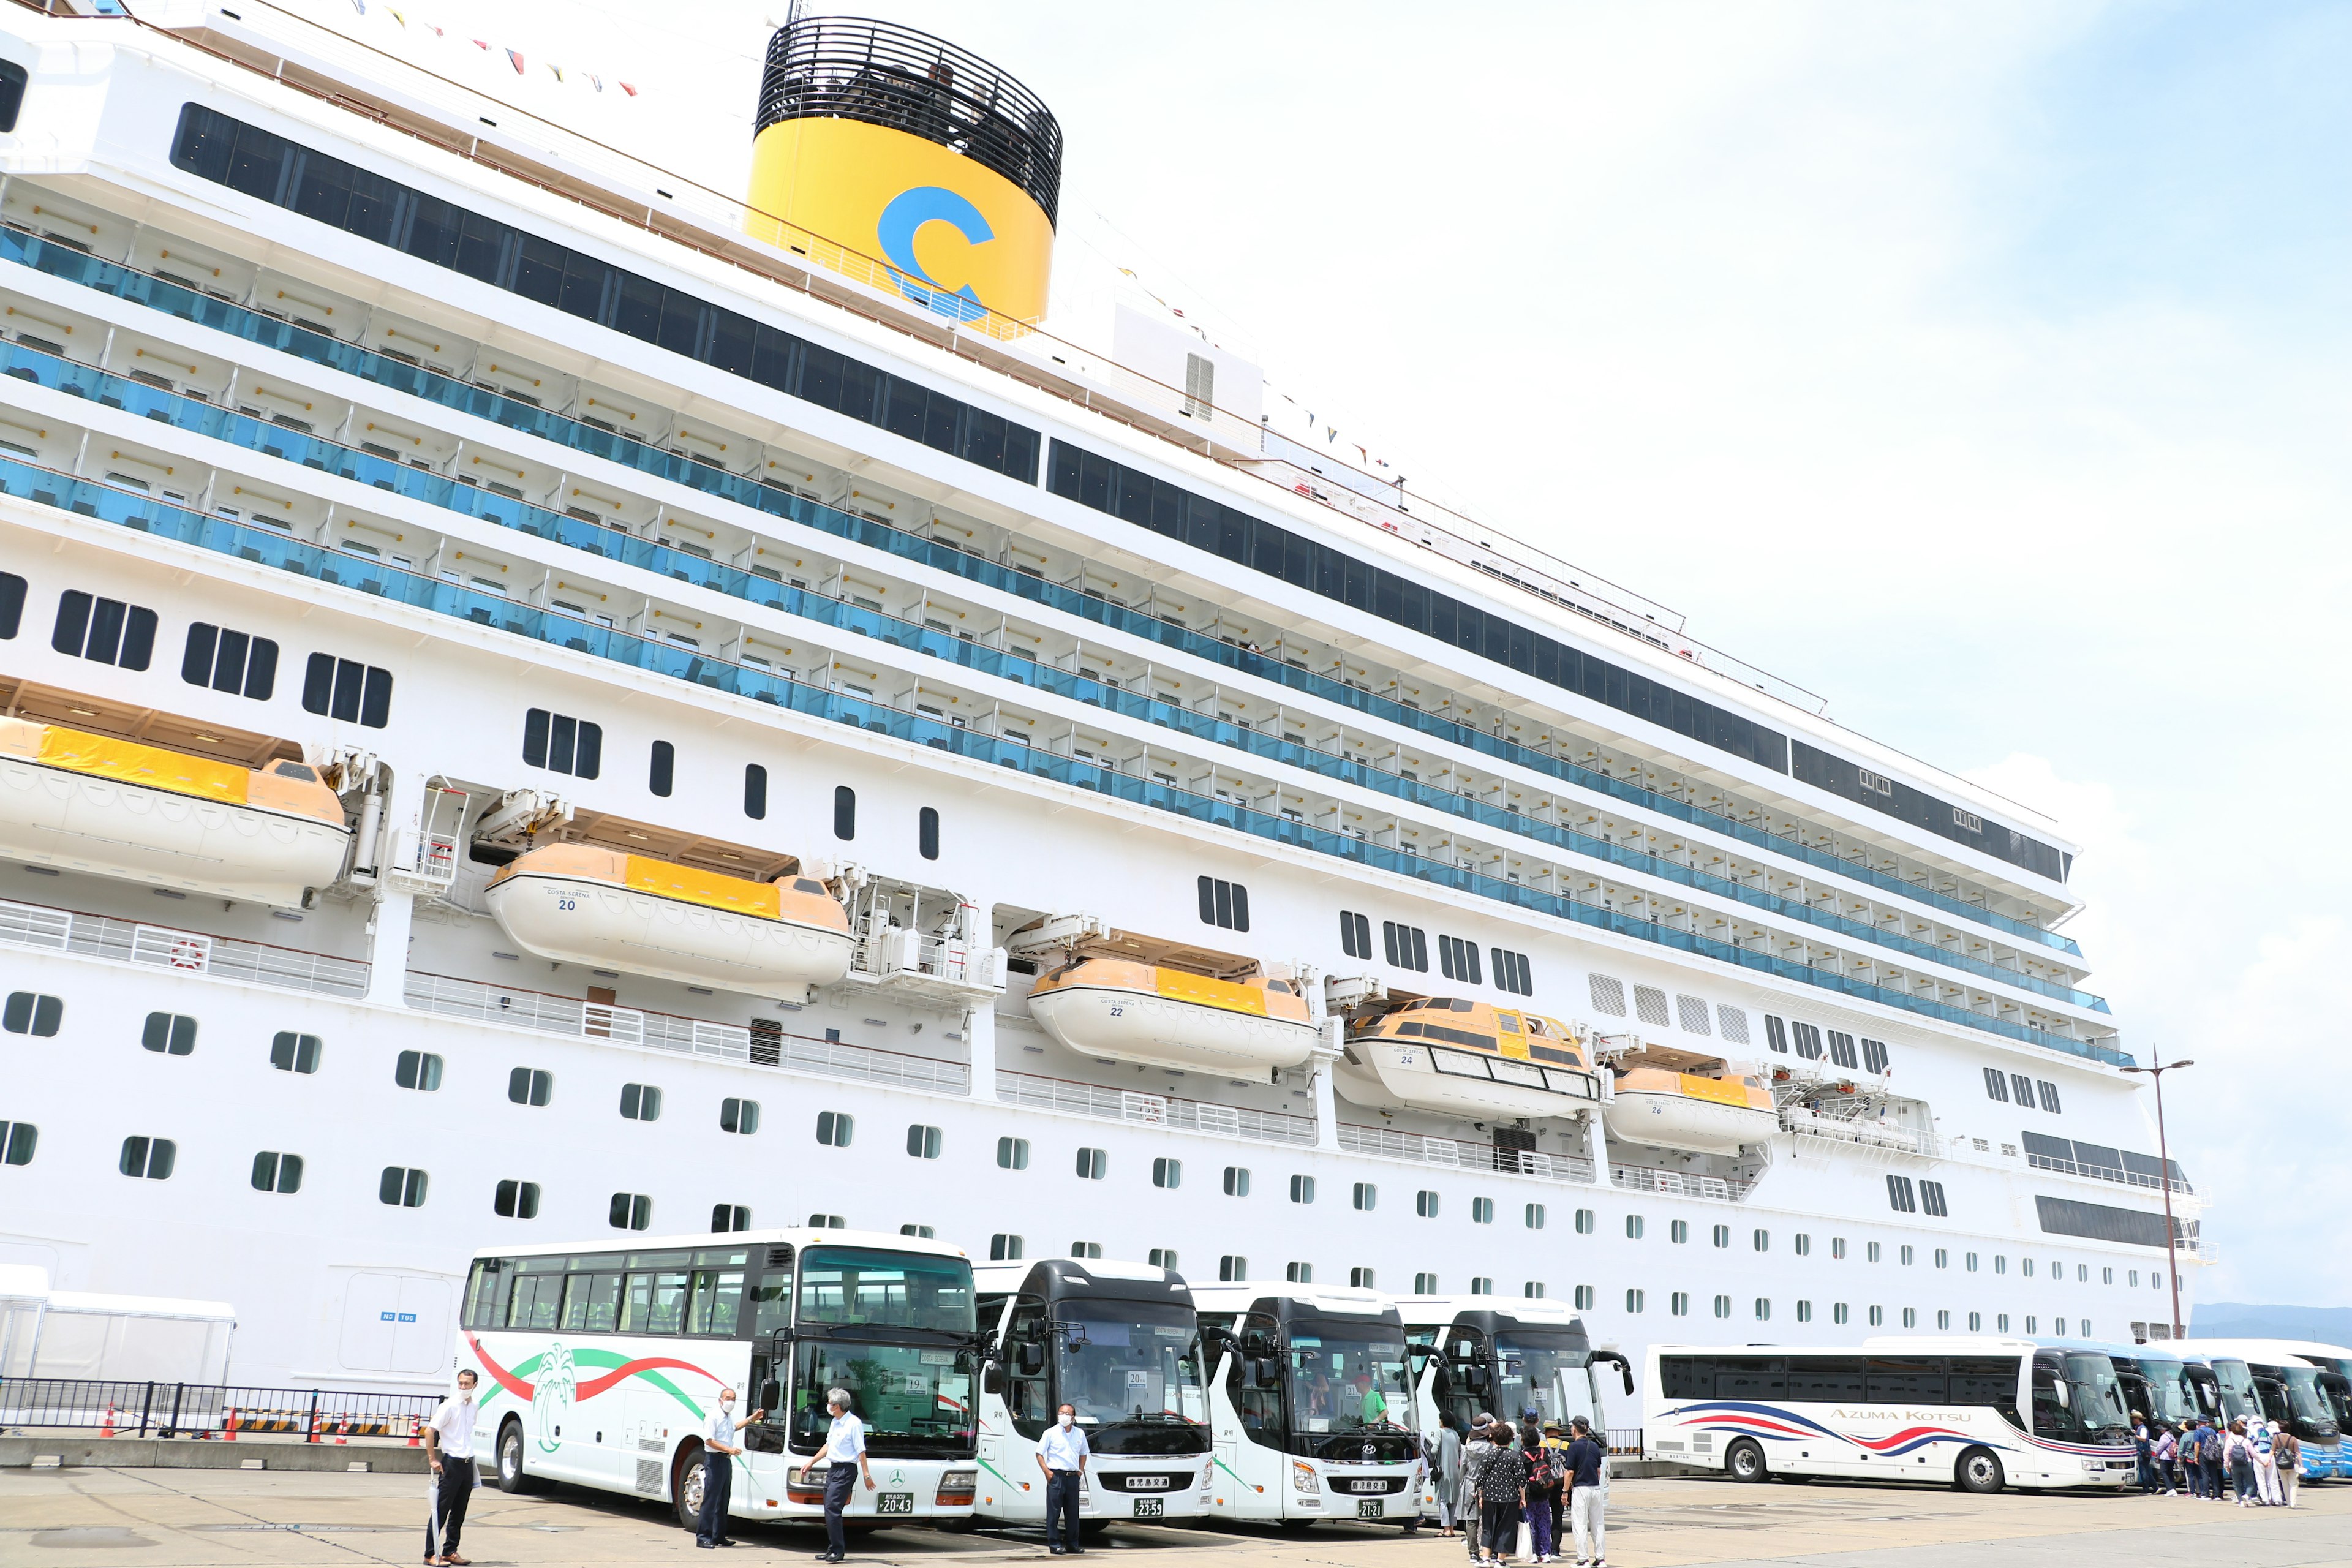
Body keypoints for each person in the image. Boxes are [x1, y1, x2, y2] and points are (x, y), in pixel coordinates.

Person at [807, 1387, 875, 1562]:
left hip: (846, 1470)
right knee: (829, 1509)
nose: (828, 1406)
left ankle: (838, 1550)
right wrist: (811, 1462)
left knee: (833, 1509)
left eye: (830, 1403)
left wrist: (867, 1475)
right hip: (834, 1468)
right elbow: (829, 1445)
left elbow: (861, 1450)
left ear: (837, 1406)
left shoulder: (854, 1423)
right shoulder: (835, 1422)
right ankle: (832, 1549)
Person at [423, 1368, 479, 1567]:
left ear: (475, 1385)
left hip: (467, 1462)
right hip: (451, 1462)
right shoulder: (449, 1406)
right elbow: (430, 1431)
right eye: (461, 1383)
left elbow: (467, 1432)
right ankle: (430, 1554)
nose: (463, 1387)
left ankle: (450, 1551)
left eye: (467, 1384)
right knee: (441, 1509)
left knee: (459, 1511)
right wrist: (432, 1458)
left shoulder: (474, 1406)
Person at [695, 1387, 761, 1548]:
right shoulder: (713, 1417)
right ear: (721, 1400)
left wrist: (751, 1419)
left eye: (734, 1399)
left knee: (723, 1500)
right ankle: (703, 1536)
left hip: (725, 1461)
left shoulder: (728, 1417)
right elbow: (709, 1441)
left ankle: (719, 1536)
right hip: (714, 1460)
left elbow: (734, 1428)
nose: (731, 1402)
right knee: (711, 1500)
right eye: (728, 1398)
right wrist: (729, 1449)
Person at [1038, 1402, 1090, 1555]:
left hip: (1073, 1477)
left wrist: (1080, 1471)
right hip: (1056, 1477)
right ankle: (1054, 1544)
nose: (1064, 1416)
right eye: (1062, 1413)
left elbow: (1083, 1453)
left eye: (1067, 1414)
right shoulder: (1050, 1433)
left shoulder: (1079, 1433)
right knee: (1054, 1513)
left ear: (1073, 1417)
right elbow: (1039, 1453)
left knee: (1073, 1513)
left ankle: (1072, 1544)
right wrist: (1047, 1472)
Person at [1476, 1421, 1528, 1565]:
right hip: (1509, 1497)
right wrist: (1523, 1498)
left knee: (1488, 1527)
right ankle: (1500, 1561)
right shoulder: (1514, 1456)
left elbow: (1481, 1478)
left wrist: (1481, 1496)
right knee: (1506, 1528)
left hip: (1490, 1496)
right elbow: (1521, 1480)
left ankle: (1485, 1559)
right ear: (1511, 1439)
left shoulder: (1488, 1455)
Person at [1563, 1417, 1607, 1568]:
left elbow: (1569, 1472)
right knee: (1598, 1524)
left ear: (1574, 1429)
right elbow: (1599, 1471)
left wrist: (1564, 1491)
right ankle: (1600, 1559)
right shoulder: (1595, 1446)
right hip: (1595, 1488)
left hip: (1581, 1489)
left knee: (1580, 1524)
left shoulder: (1573, 1447)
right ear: (1587, 1429)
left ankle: (1583, 1560)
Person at [1520, 1418, 1557, 1564]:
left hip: (1529, 1495)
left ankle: (1533, 1553)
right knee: (1544, 1523)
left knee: (1530, 1523)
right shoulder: (1544, 1453)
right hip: (1544, 1493)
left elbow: (1521, 1477)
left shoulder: (1523, 1456)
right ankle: (1546, 1553)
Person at [1460, 1416, 1496, 1561]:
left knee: (1471, 1520)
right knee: (1489, 1519)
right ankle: (1491, 1551)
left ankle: (1473, 1553)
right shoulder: (1491, 1448)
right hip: (1488, 1486)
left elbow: (1462, 1470)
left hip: (1470, 1485)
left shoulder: (1467, 1449)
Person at [1433, 1414, 1464, 1536]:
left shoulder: (1439, 1433)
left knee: (1443, 1500)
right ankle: (1452, 1529)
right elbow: (1460, 1451)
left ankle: (1446, 1529)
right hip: (1455, 1472)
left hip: (1443, 1472)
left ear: (1442, 1421)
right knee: (1453, 1501)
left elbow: (1434, 1451)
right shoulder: (1456, 1435)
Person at [2226, 1418, 2257, 1506]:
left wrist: (2227, 1465)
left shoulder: (2229, 1441)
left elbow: (2226, 1454)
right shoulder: (2246, 1441)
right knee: (2250, 1483)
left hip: (2235, 1464)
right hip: (2247, 1463)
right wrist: (2262, 1462)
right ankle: (2247, 1496)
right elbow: (2254, 1453)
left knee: (2237, 1484)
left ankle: (2241, 1501)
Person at [2253, 1420, 2282, 1506]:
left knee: (2261, 1479)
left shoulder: (2253, 1433)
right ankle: (2277, 1499)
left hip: (2259, 1456)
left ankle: (2265, 1499)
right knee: (2273, 1479)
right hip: (2270, 1456)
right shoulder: (2274, 1435)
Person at [2274, 1422, 2302, 1507]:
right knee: (2293, 1484)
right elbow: (2298, 1453)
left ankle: (2289, 1503)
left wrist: (2267, 1461)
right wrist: (2301, 1465)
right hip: (2293, 1464)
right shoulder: (2293, 1439)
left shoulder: (2276, 1438)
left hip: (2281, 1464)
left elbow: (2272, 1450)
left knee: (2285, 1484)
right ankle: (2293, 1503)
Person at [2151, 1421, 2177, 1496]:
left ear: (2164, 1429)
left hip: (2165, 1457)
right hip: (2171, 1458)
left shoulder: (2164, 1437)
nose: (2160, 1430)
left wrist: (2156, 1454)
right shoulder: (2172, 1437)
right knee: (2170, 1473)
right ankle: (2173, 1488)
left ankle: (2169, 1489)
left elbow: (2160, 1447)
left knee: (2163, 1472)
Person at [2131, 1411, 2154, 1494]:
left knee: (2143, 1470)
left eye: (2134, 1418)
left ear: (2138, 1419)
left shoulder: (2143, 1428)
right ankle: (2155, 1487)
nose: (2133, 1420)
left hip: (2143, 1452)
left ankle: (2146, 1489)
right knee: (2146, 1470)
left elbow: (2144, 1439)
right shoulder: (2139, 1428)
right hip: (2143, 1452)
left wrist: (2135, 1435)